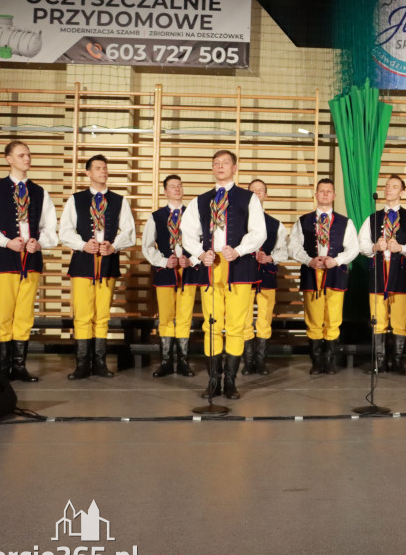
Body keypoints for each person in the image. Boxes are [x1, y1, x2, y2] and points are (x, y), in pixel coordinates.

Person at [181, 150, 266, 400]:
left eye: (225, 163)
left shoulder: (248, 198)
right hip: (211, 267)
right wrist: (199, 253)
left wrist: (238, 250)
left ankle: (230, 381)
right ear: (212, 168)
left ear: (234, 168)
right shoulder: (201, 200)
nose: (220, 166)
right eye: (216, 163)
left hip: (238, 267)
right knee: (212, 324)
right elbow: (187, 232)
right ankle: (212, 381)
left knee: (237, 325)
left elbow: (258, 232)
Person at [0, 140, 58, 382]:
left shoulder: (39, 192)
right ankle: (3, 367)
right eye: (21, 155)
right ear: (8, 159)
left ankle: (19, 366)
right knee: (4, 315)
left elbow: (51, 228)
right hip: (4, 259)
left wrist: (39, 242)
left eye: (29, 155)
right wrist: (5, 241)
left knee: (24, 315)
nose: (27, 159)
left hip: (30, 260)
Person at [59, 154, 136, 380]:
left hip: (108, 262)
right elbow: (65, 232)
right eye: (98, 168)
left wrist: (114, 246)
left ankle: (100, 362)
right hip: (83, 262)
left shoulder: (119, 200)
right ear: (88, 173)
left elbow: (129, 232)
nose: (103, 171)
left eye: (105, 168)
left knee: (102, 314)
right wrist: (83, 244)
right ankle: (82, 363)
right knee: (83, 314)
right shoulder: (76, 200)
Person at [288, 178, 360, 375]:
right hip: (312, 274)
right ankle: (316, 360)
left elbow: (353, 248)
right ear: (316, 195)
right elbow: (293, 247)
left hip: (336, 274)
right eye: (322, 191)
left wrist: (336, 260)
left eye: (329, 191)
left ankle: (330, 361)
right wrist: (308, 260)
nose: (325, 194)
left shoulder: (346, 222)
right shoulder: (303, 221)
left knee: (333, 317)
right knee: (313, 317)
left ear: (335, 195)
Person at [359, 174, 406, 375]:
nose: (389, 189)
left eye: (394, 186)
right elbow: (362, 245)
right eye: (387, 186)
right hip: (378, 273)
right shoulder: (373, 218)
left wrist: (401, 248)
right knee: (377, 319)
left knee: (399, 320)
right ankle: (379, 361)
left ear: (402, 192)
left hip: (401, 274)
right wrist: (374, 246)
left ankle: (397, 361)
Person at [141, 175, 197, 379]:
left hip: (188, 272)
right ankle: (165, 361)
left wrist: (191, 260)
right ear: (165, 191)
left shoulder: (192, 215)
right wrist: (165, 261)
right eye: (172, 186)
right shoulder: (156, 216)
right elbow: (147, 246)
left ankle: (183, 361)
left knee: (184, 317)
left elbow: (202, 243)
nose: (177, 189)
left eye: (180, 185)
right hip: (165, 273)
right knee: (165, 317)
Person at [241, 179, 289, 377]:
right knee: (243, 319)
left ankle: (260, 362)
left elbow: (283, 252)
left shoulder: (275, 224)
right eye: (253, 191)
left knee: (264, 319)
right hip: (243, 276)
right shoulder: (239, 222)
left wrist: (270, 257)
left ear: (266, 196)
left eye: (261, 191)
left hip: (266, 276)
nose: (257, 194)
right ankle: (247, 361)